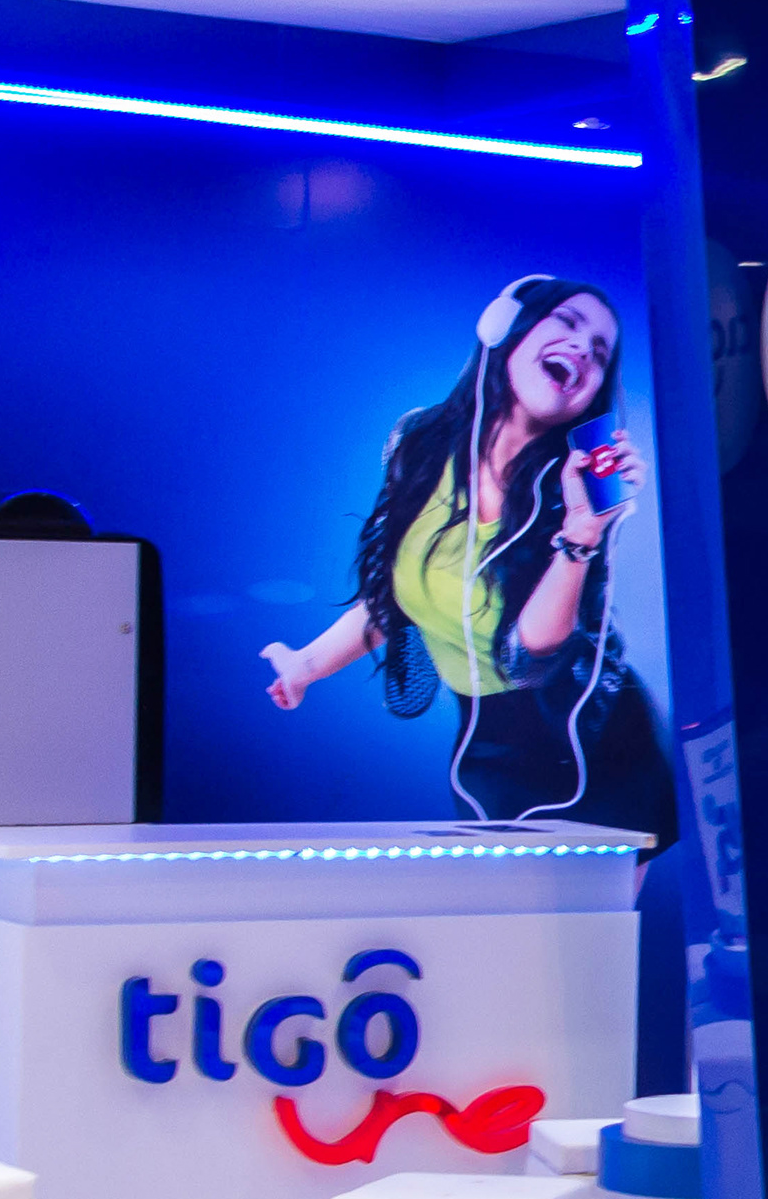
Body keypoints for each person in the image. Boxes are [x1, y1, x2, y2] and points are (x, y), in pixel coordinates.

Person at [260, 276, 673, 848]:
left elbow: (530, 658)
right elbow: (398, 597)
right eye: (568, 323)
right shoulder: (421, 444)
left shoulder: (572, 489)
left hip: (599, 743)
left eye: (600, 352)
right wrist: (307, 665)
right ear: (506, 328)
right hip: (489, 747)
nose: (582, 348)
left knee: (590, 911)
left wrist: (581, 534)